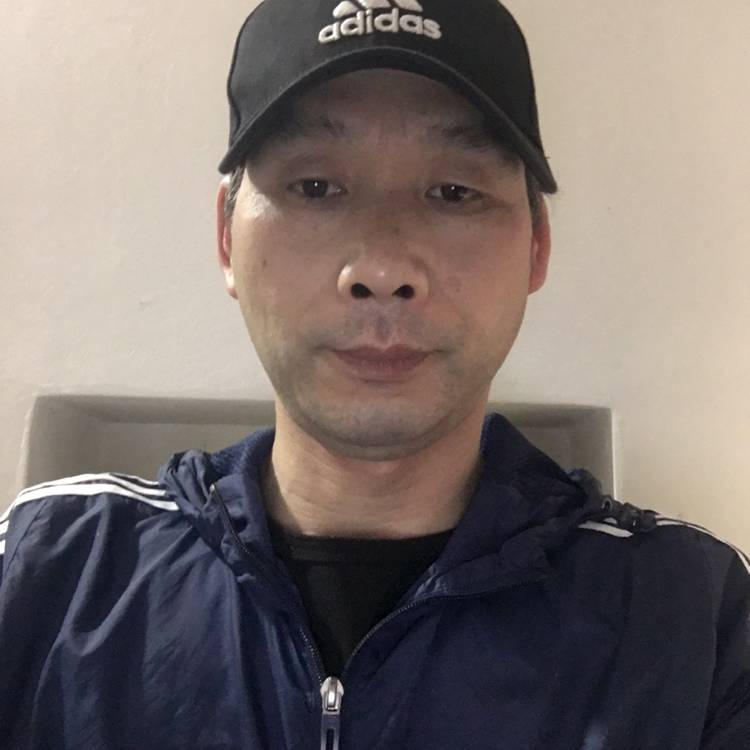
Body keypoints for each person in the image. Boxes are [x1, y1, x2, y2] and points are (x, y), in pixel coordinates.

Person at [1, 0, 748, 747]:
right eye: (315, 187)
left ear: (536, 249)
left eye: (454, 192)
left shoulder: (698, 621)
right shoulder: (48, 568)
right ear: (226, 237)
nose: (383, 269)